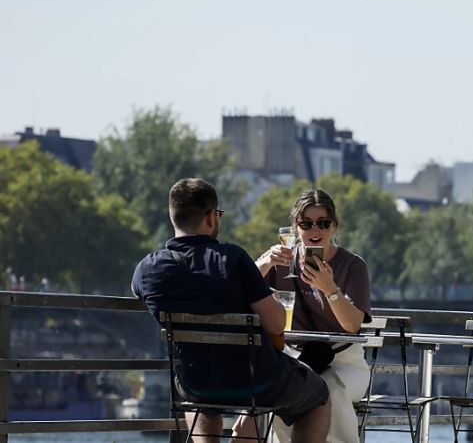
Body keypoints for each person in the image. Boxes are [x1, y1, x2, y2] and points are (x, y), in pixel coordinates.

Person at [131, 178, 330, 443]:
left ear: (173, 218)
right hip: (258, 382)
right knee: (318, 397)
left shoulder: (148, 269)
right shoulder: (233, 259)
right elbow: (275, 324)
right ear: (212, 217)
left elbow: (138, 293)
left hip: (196, 381)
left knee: (199, 399)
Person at [254, 188, 371, 443]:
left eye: (323, 223)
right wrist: (262, 265)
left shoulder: (352, 266)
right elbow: (235, 294)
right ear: (295, 227)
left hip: (344, 362)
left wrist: (329, 289)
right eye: (306, 223)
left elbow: (352, 325)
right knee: (290, 387)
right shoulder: (281, 262)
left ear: (334, 227)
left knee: (321, 387)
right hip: (295, 358)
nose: (314, 230)